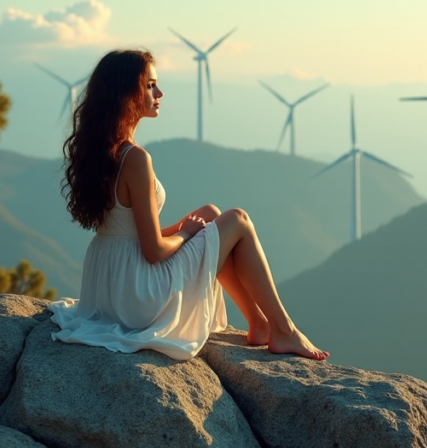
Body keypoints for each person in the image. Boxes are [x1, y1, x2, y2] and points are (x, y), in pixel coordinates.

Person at [49, 49, 328, 361]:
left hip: (108, 286)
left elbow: (127, 233)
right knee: (238, 219)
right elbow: (153, 251)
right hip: (138, 296)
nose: (159, 93)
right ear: (126, 93)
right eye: (150, 85)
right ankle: (284, 329)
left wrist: (188, 229)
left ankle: (259, 323)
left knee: (209, 214)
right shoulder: (135, 159)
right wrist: (185, 234)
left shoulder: (99, 150)